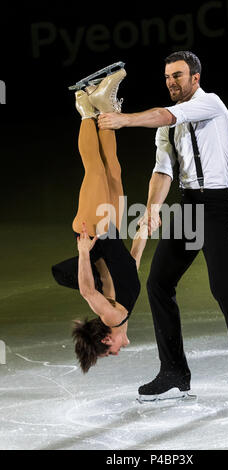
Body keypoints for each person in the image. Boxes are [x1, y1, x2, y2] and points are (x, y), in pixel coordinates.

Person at [96, 51, 228, 401]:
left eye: (178, 75)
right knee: (158, 283)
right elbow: (163, 170)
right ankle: (174, 371)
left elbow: (165, 114)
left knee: (223, 288)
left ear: (195, 78)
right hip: (189, 207)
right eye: (168, 77)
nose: (172, 82)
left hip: (217, 208)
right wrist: (154, 209)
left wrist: (123, 120)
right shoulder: (166, 125)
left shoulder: (210, 104)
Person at [51, 68, 148, 373]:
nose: (116, 353)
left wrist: (82, 253)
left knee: (94, 170)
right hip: (112, 230)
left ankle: (83, 107)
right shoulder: (123, 310)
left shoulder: (110, 316)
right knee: (113, 171)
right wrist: (143, 231)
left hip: (93, 231)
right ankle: (104, 107)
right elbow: (131, 265)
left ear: (107, 339)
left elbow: (87, 292)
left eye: (109, 353)